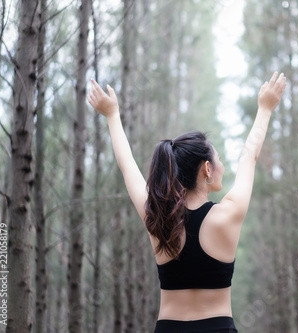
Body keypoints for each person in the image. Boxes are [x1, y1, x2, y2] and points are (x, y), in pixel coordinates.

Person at [87, 71, 286, 333]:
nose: (222, 166)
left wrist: (112, 116)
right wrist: (265, 108)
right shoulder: (229, 214)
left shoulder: (157, 218)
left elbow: (128, 167)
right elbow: (250, 157)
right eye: (218, 159)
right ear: (206, 168)